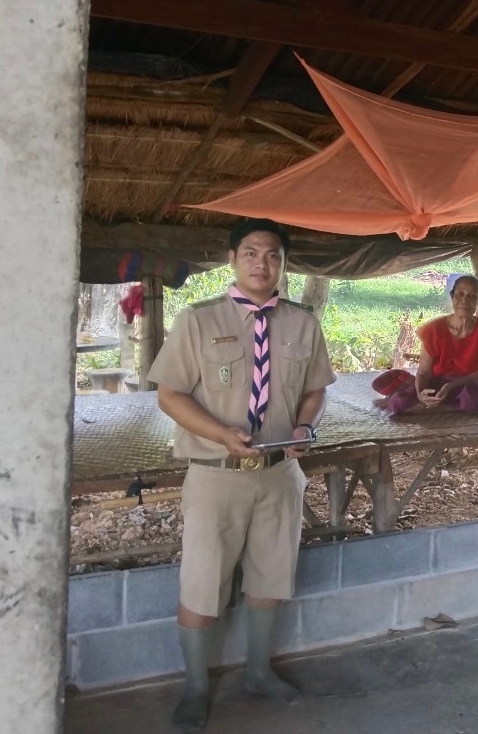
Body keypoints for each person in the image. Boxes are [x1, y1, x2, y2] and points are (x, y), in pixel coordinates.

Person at [148, 218, 336, 731]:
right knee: (202, 583)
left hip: (279, 474)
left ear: (284, 264)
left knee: (271, 575)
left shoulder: (303, 323)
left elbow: (316, 390)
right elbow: (170, 395)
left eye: (273, 255)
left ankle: (258, 673)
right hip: (217, 475)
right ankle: (195, 688)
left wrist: (305, 426)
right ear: (232, 259)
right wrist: (220, 433)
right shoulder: (199, 320)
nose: (262, 264)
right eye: (251, 253)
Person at [374, 273, 478, 414]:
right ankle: (473, 408)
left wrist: (451, 386)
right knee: (399, 403)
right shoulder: (433, 329)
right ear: (452, 297)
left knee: (472, 398)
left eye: (472, 296)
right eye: (459, 294)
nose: (464, 300)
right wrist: (421, 394)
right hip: (436, 384)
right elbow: (424, 372)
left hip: (466, 386)